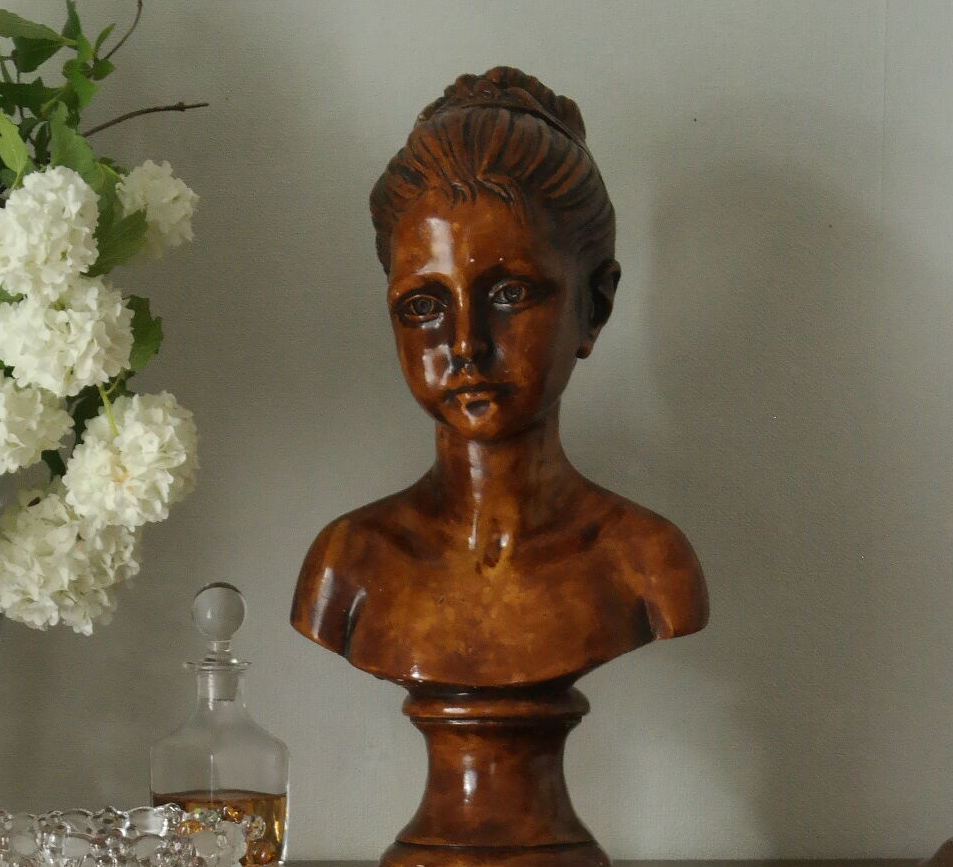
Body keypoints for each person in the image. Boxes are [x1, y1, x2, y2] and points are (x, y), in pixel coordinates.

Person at [292, 69, 707, 693]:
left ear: (594, 307)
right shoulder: (349, 564)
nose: (465, 344)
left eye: (510, 294)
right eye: (424, 305)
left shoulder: (645, 562)